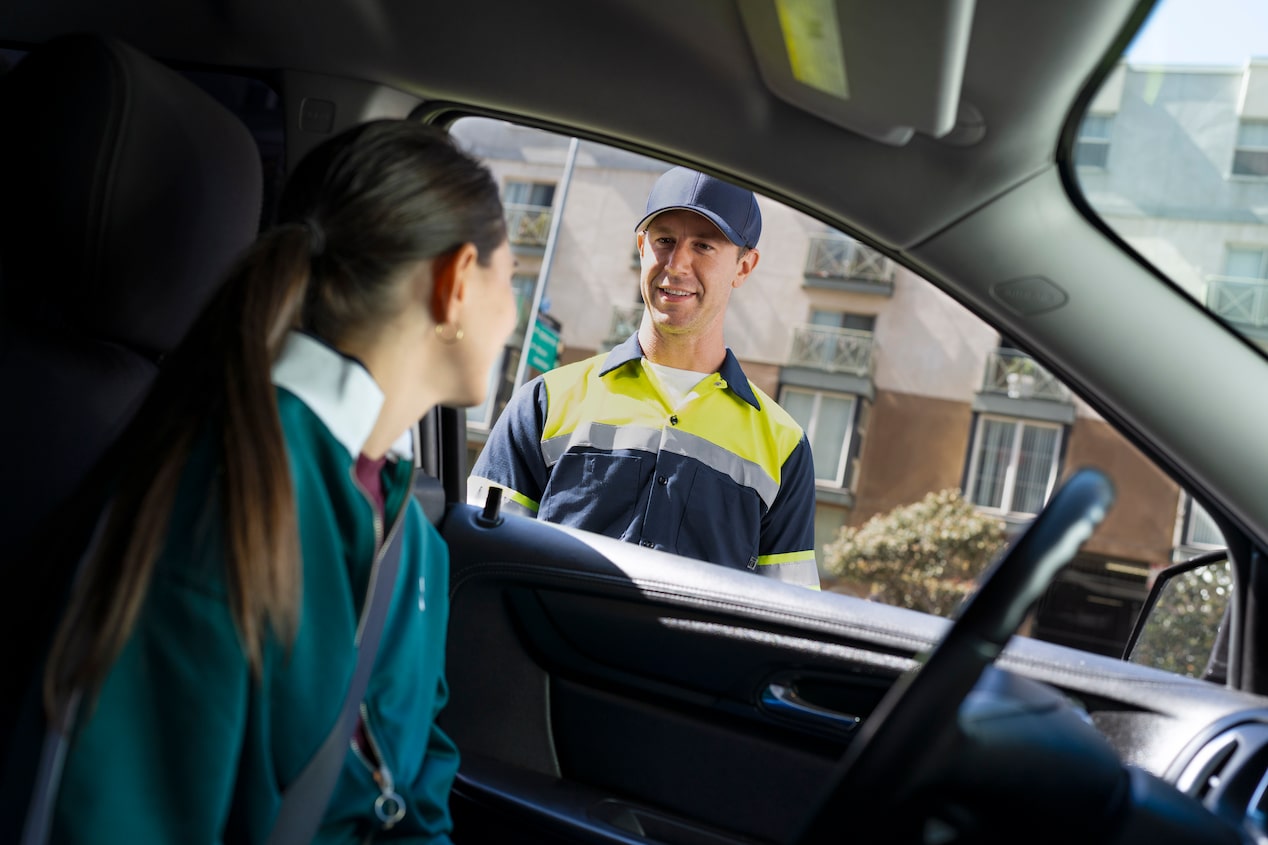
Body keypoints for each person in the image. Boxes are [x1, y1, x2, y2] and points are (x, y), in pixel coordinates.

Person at [41, 120, 516, 843]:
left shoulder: (416, 545)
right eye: (508, 280)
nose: (514, 317)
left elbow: (417, 801)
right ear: (454, 285)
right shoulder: (234, 490)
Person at [469, 167, 820, 589]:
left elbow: (789, 614)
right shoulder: (543, 402)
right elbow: (477, 565)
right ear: (641, 246)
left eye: (704, 246)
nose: (676, 265)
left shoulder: (784, 448)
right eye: (664, 241)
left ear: (744, 267)